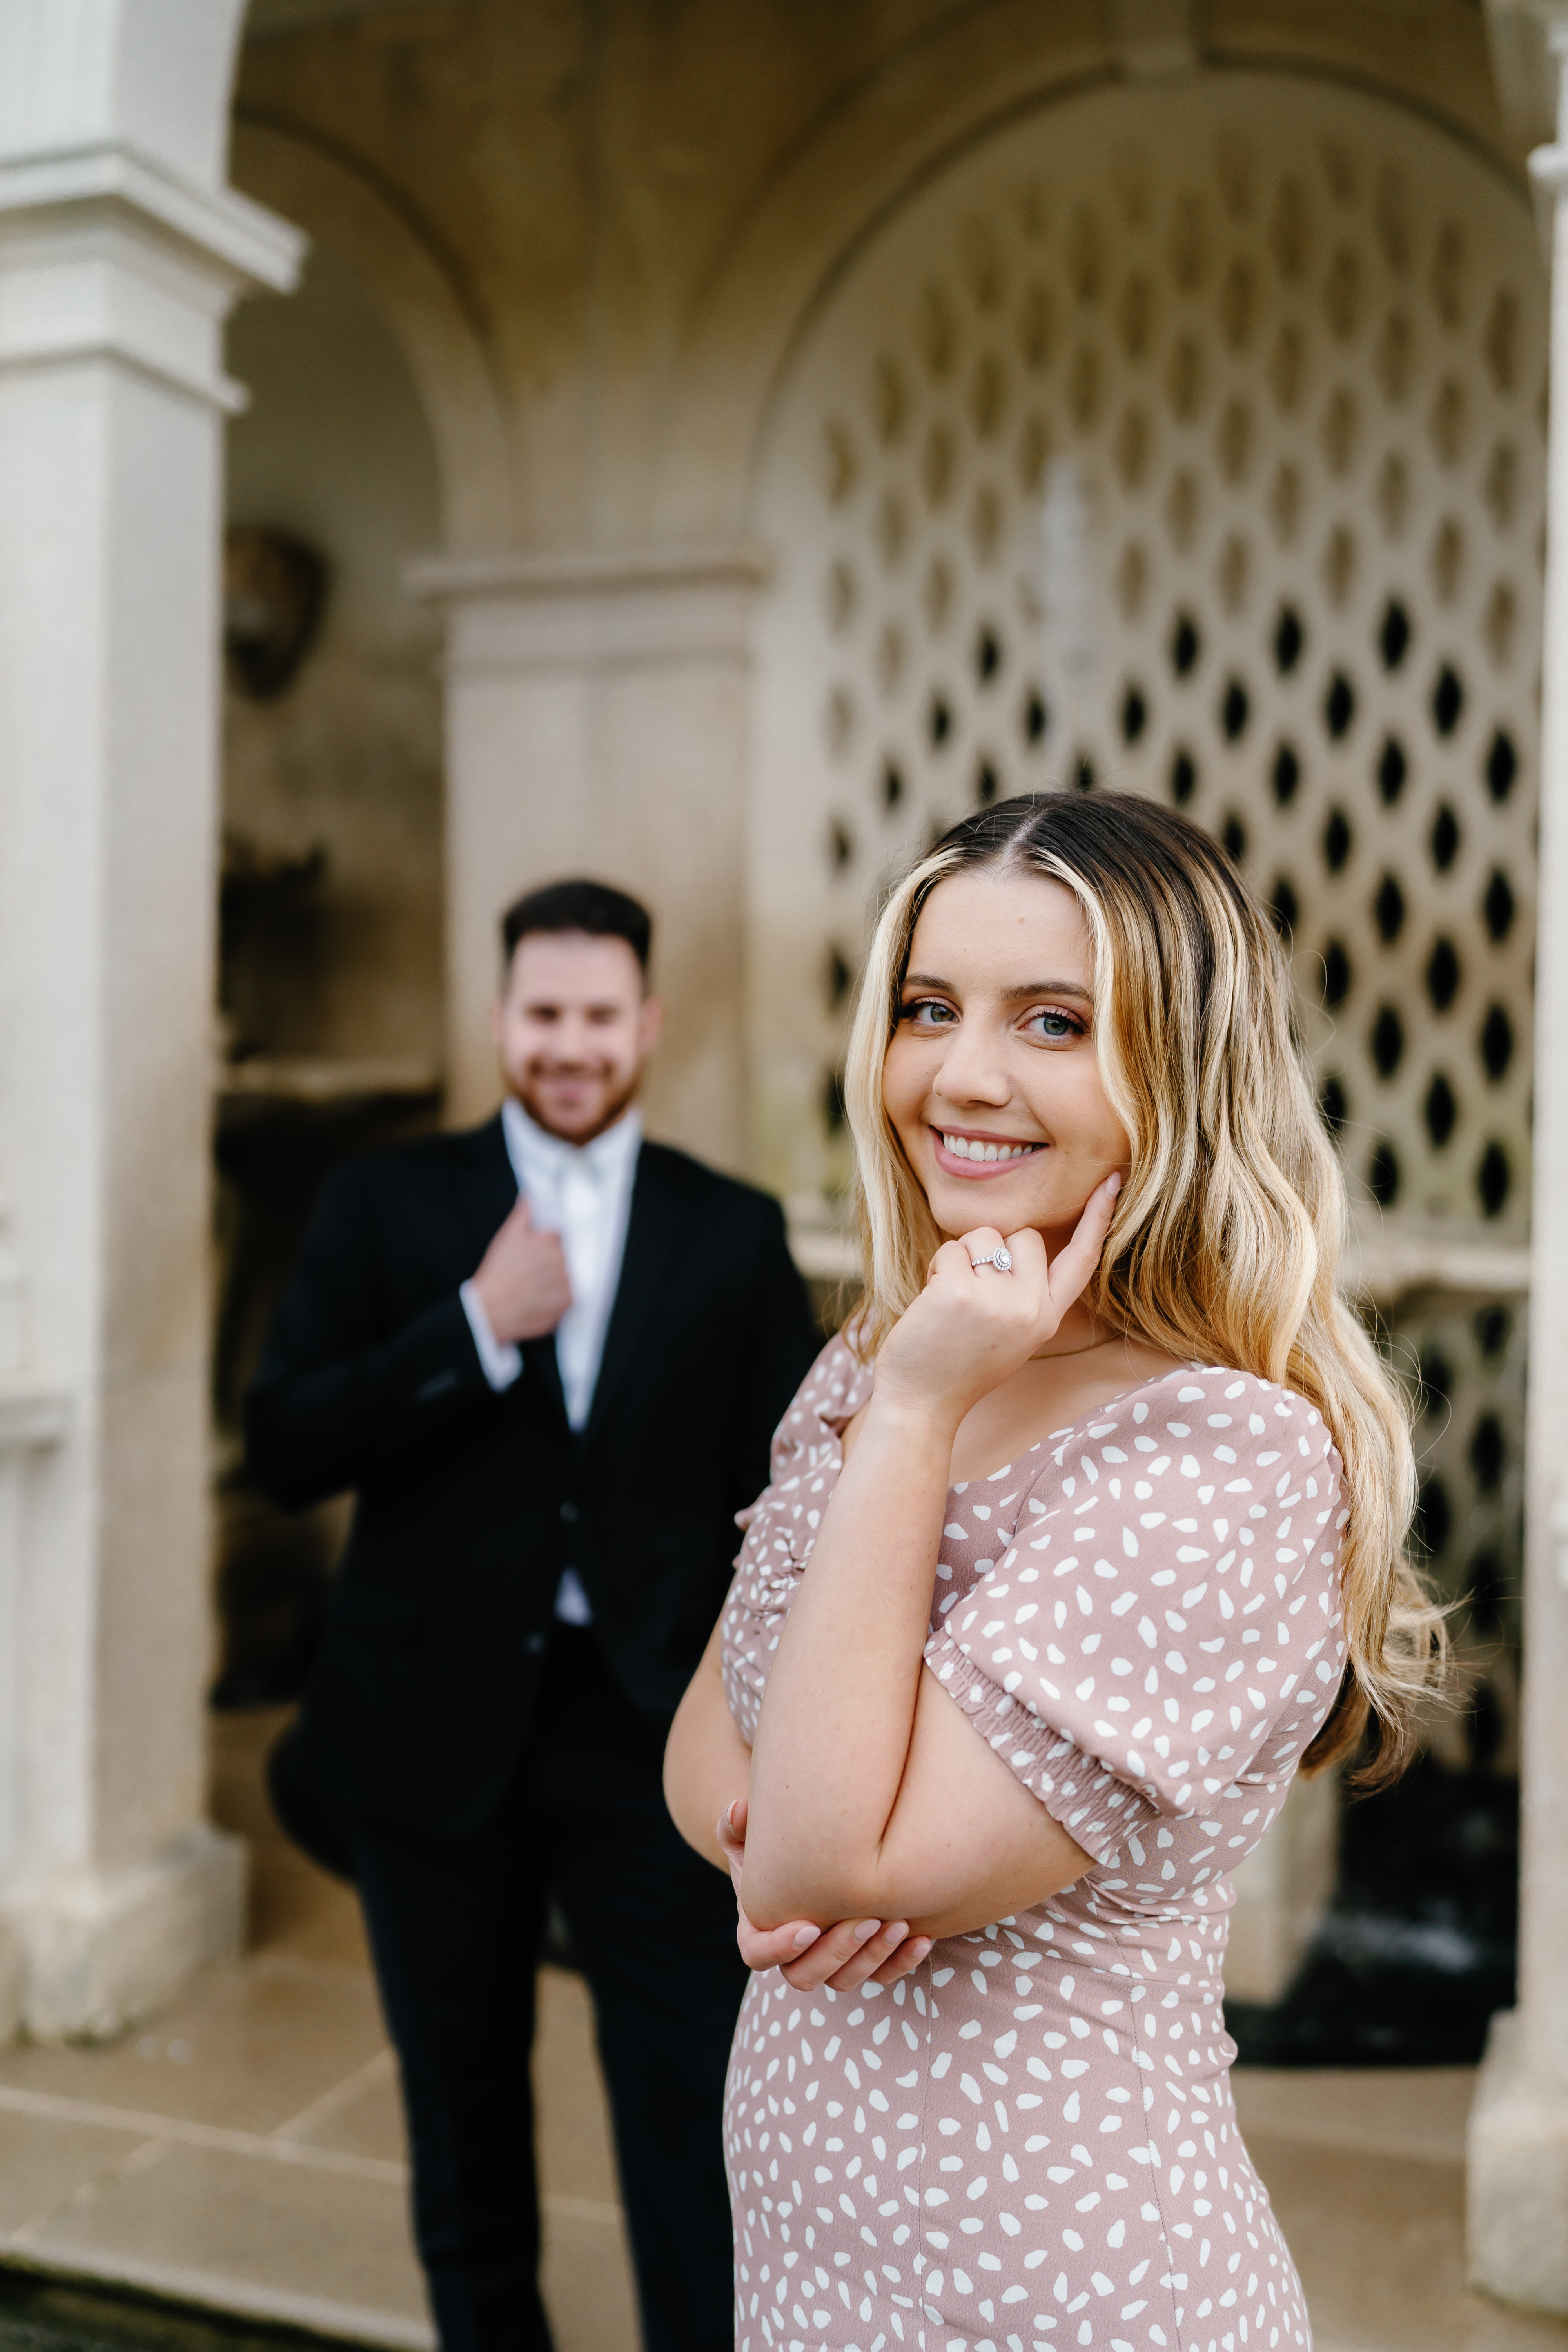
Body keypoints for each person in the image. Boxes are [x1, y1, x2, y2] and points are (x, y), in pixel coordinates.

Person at [665, 792, 1441, 2352]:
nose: (962, 1074)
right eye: (929, 1008)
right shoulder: (885, 1355)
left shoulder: (1218, 1460)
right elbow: (700, 1759)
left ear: (1182, 1070)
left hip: (1060, 2285)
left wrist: (920, 1414)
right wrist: (801, 1839)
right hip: (810, 2268)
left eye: (1054, 1022)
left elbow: (820, 1862)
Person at [245, 877, 818, 2352]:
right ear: (503, 1017)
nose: (571, 1045)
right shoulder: (384, 1203)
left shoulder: (734, 1229)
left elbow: (799, 1505)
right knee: (462, 2109)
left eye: (599, 1016)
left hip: (656, 1741)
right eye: (544, 1014)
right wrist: (468, 1332)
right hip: (430, 1737)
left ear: (649, 1023)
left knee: (698, 2115)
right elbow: (286, 1442)